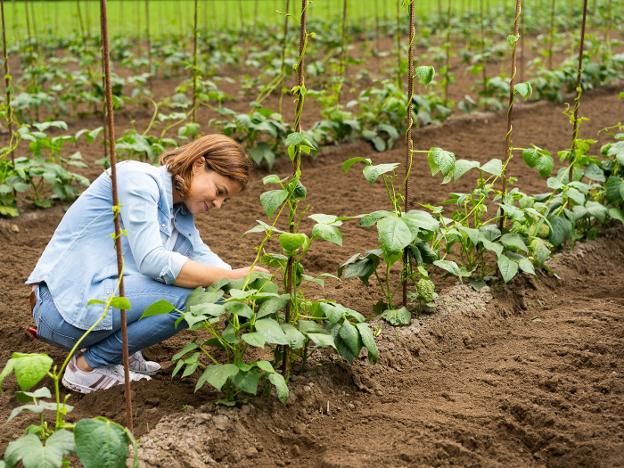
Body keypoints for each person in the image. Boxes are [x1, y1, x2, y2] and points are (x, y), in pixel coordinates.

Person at [27, 134, 267, 394]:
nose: (218, 204)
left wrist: (246, 283)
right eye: (219, 191)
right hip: (61, 309)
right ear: (199, 164)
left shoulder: (179, 210)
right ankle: (89, 367)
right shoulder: (137, 180)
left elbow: (202, 255)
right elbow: (153, 262)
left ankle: (119, 355)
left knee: (204, 285)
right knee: (193, 296)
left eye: (225, 199)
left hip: (91, 306)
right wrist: (230, 280)